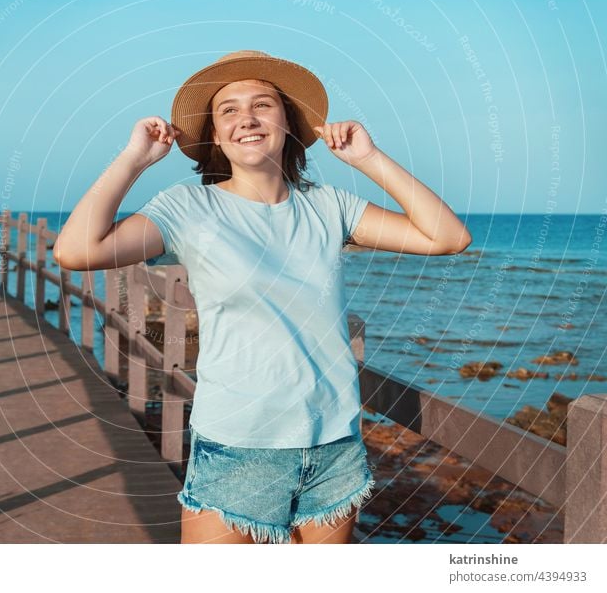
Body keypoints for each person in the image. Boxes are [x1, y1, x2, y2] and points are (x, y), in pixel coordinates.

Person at [53, 50, 472, 544]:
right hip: (238, 447)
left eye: (263, 105)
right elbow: (76, 251)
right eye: (228, 109)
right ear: (214, 134)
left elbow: (448, 237)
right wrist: (134, 160)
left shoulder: (329, 206)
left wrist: (368, 159)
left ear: (288, 123)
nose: (246, 119)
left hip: (333, 447)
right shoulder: (188, 207)